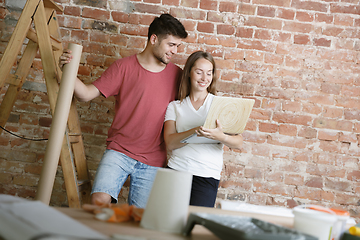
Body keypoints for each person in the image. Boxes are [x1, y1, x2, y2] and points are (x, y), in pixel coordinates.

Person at [60, 14, 188, 208]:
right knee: (98, 202)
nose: (175, 51)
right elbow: (85, 94)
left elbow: (193, 103)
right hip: (119, 151)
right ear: (154, 39)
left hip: (153, 158)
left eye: (177, 46)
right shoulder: (123, 67)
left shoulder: (178, 75)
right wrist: (66, 70)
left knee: (140, 219)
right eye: (171, 45)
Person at [163, 51, 243, 207]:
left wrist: (221, 137)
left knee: (196, 227)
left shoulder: (220, 105)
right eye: (199, 72)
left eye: (209, 73)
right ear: (189, 73)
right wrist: (195, 131)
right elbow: (170, 142)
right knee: (167, 224)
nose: (204, 78)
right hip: (176, 171)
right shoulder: (175, 106)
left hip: (206, 175)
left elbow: (238, 142)